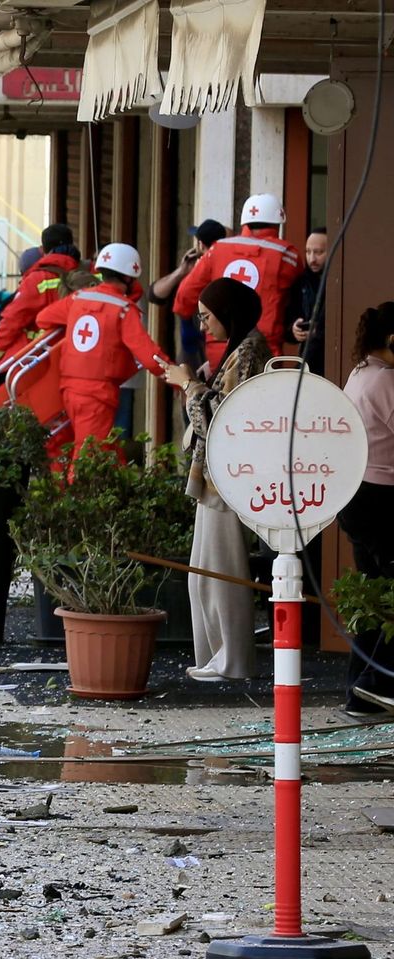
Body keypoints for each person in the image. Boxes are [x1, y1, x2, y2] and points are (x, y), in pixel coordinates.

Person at [159, 279, 268, 682]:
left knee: (221, 573)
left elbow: (223, 417)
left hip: (227, 475)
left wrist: (188, 384)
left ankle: (231, 661)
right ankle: (217, 658)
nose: (203, 326)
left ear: (227, 314)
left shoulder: (248, 351)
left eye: (207, 317)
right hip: (217, 475)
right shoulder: (243, 350)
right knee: (204, 574)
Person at [34, 243, 169, 460]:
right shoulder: (124, 309)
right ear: (130, 276)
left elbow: (43, 318)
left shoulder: (79, 299)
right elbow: (149, 357)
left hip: (69, 389)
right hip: (97, 395)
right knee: (89, 458)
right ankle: (79, 494)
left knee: (108, 454)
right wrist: (179, 379)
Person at [338, 303, 394, 715]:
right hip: (382, 498)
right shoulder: (385, 380)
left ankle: (361, 691)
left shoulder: (360, 373)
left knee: (374, 596)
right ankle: (377, 682)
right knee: (386, 596)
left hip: (357, 496)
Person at [175, 193, 303, 362]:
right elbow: (301, 299)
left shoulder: (217, 249)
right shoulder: (287, 255)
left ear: (244, 222)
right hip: (263, 353)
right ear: (277, 224)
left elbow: (183, 299)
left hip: (219, 351)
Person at [0, 223, 82, 370]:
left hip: (42, 359)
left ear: (43, 250)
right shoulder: (89, 275)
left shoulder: (38, 279)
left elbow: (12, 319)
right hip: (81, 354)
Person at [148, 219, 228, 371]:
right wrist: (182, 271)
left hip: (210, 343)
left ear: (201, 245)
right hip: (198, 345)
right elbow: (155, 295)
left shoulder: (213, 269)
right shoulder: (195, 267)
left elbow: (181, 301)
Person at [287, 227, 329, 376]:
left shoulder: (338, 282)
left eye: (318, 252)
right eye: (308, 251)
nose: (312, 258)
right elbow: (289, 316)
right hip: (308, 362)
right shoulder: (301, 282)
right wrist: (294, 329)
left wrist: (320, 331)